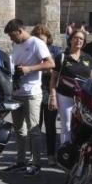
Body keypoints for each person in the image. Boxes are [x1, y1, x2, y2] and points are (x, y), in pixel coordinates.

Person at [4, 19, 54, 175]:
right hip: (17, 92)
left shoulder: (36, 43)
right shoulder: (16, 45)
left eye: (12, 36)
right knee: (19, 130)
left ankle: (36, 164)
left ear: (20, 31)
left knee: (34, 129)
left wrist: (29, 69)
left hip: (32, 93)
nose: (11, 40)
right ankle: (20, 162)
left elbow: (51, 64)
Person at [48, 29, 92, 150]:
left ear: (84, 42)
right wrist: (53, 97)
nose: (78, 40)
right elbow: (53, 79)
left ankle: (80, 152)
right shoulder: (62, 57)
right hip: (65, 96)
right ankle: (66, 152)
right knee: (66, 125)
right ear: (70, 40)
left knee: (83, 125)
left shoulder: (88, 58)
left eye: (81, 39)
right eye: (76, 38)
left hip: (83, 98)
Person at [32, 24, 63, 162]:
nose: (39, 42)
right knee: (35, 126)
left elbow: (58, 71)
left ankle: (51, 154)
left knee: (50, 126)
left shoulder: (55, 52)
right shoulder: (32, 52)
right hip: (35, 90)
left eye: (42, 39)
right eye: (37, 39)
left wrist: (48, 69)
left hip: (49, 91)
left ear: (47, 39)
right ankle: (35, 156)